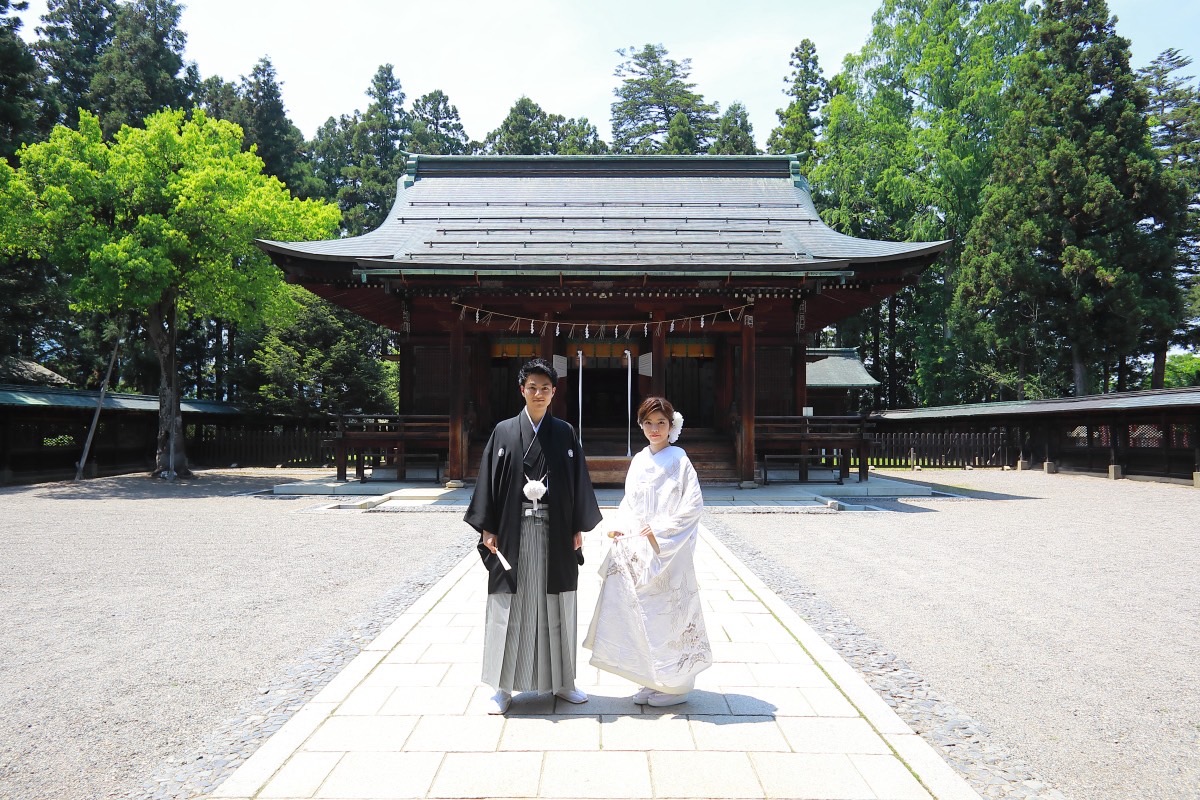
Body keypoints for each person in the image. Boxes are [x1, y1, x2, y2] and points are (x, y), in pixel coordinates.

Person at [464, 357, 603, 715]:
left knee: (558, 604)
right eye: (532, 387)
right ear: (521, 390)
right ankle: (502, 687)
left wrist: (577, 527)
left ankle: (563, 682)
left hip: (555, 531)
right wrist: (488, 527)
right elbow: (488, 481)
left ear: (554, 392)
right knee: (509, 606)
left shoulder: (565, 432)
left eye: (545, 388)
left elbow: (576, 482)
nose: (538, 393)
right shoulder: (504, 431)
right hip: (513, 530)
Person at [584, 396, 712, 707]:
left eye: (661, 423)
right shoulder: (640, 459)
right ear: (641, 425)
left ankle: (676, 685)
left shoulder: (680, 460)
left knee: (670, 615)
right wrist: (620, 526)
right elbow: (630, 501)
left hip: (669, 549)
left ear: (671, 425)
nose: (655, 429)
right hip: (639, 547)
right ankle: (650, 679)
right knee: (641, 615)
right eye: (648, 423)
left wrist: (660, 531)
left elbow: (693, 506)